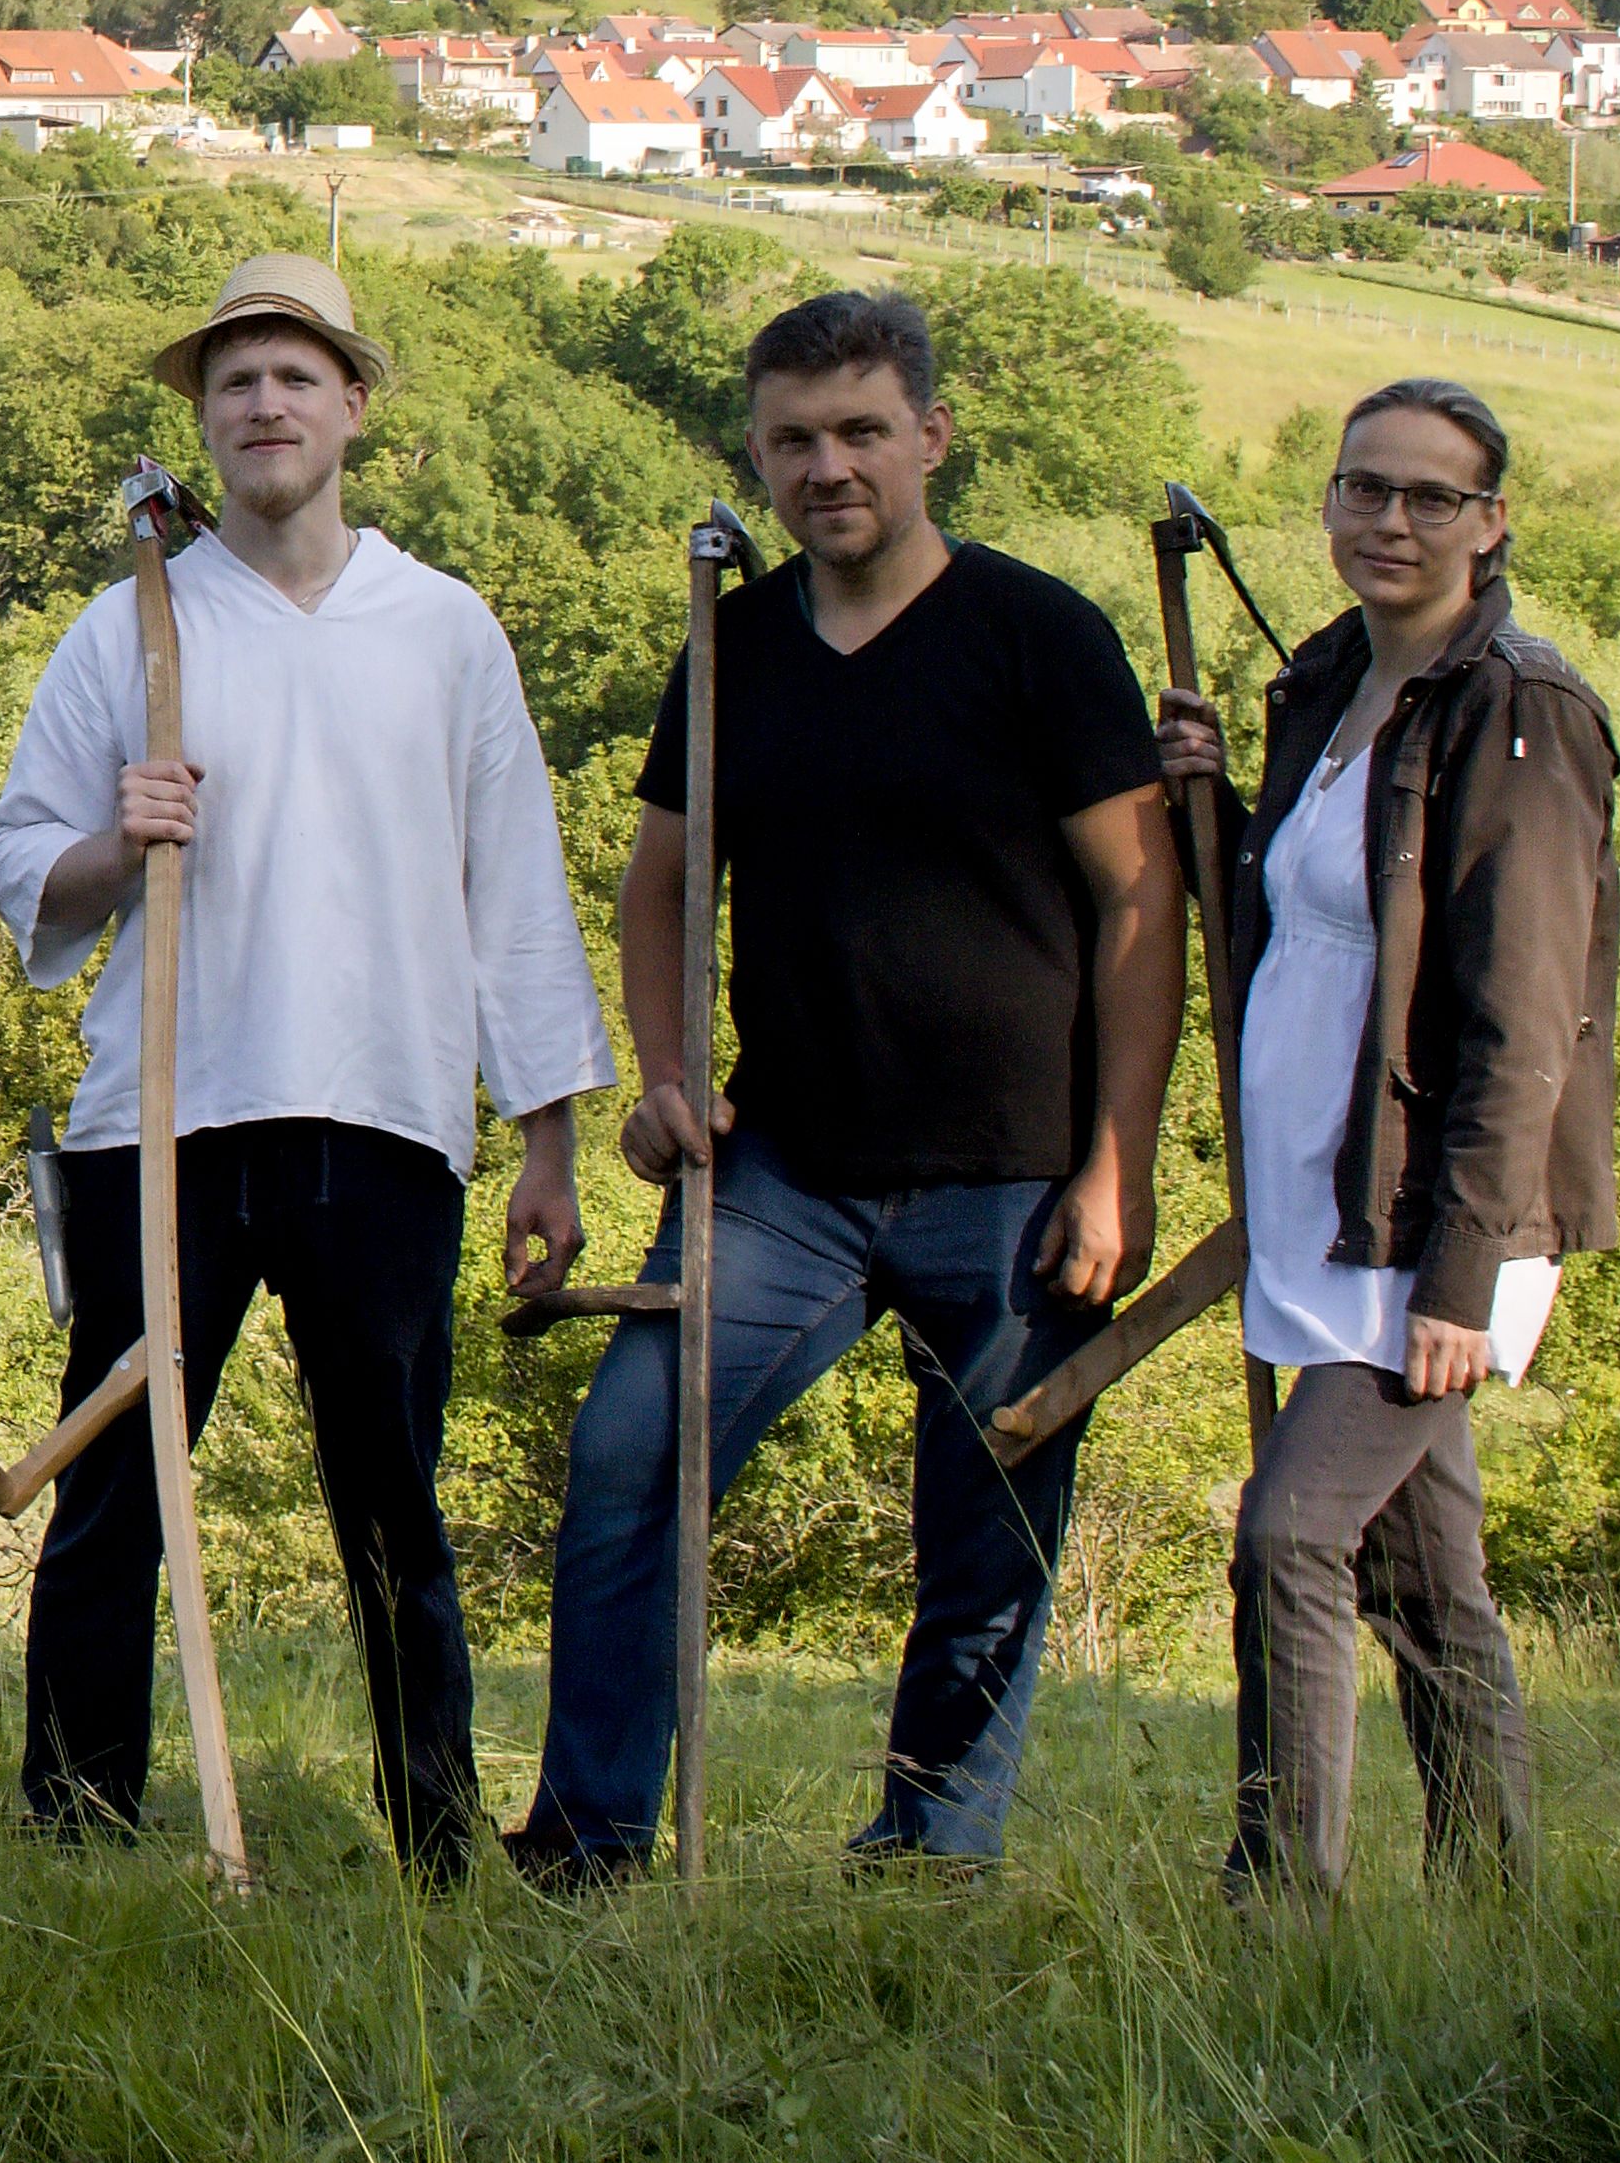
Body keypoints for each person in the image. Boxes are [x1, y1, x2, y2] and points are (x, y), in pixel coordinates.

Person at [502, 288, 1183, 1878]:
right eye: (795, 438)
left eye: (863, 429)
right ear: (756, 449)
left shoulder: (1041, 637)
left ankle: (929, 1857)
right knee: (627, 1465)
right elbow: (661, 879)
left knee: (987, 1532)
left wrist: (1119, 1163)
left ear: (932, 437)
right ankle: (589, 1843)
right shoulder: (732, 647)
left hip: (1017, 1182)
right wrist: (663, 1077)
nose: (830, 466)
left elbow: (1142, 908)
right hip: (782, 1174)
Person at [0, 254, 614, 1879]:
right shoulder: (137, 623)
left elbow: (517, 887)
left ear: (352, 406)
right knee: (116, 1483)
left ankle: (437, 1839)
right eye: (234, 382)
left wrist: (547, 1138)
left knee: (393, 1495)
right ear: (202, 418)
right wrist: (119, 847)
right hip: (167, 1113)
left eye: (294, 376)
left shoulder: (447, 627)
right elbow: (14, 852)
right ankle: (77, 1820)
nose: (264, 404)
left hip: (387, 1111)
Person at [1158, 379, 1618, 1894]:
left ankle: (1281, 1907)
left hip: (1428, 1232)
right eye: (1367, 487)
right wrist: (1212, 807)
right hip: (1330, 1208)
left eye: (1432, 497)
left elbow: (1524, 1027)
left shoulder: (1520, 711)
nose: (1392, 520)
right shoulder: (1334, 685)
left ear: (1492, 523)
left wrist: (1459, 1280)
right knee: (1432, 1587)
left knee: (1291, 1535)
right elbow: (1302, 934)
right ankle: (1500, 1911)